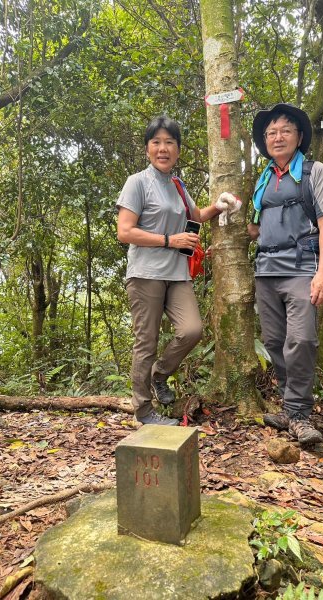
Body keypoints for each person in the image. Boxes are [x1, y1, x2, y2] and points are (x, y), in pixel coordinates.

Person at [117, 115, 240, 426]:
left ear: (178, 149)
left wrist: (221, 206)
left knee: (192, 330)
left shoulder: (177, 184)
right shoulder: (138, 182)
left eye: (169, 142)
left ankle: (160, 375)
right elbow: (125, 232)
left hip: (177, 274)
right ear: (147, 149)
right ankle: (143, 412)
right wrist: (170, 240)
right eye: (156, 142)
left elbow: (195, 216)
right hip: (146, 274)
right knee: (146, 342)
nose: (163, 148)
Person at [248, 103, 323, 446]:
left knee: (301, 340)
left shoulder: (315, 172)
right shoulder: (264, 178)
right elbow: (258, 227)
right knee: (274, 342)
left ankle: (299, 414)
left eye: (285, 130)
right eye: (271, 132)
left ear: (299, 136)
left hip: (302, 269)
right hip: (266, 272)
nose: (278, 136)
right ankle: (288, 406)